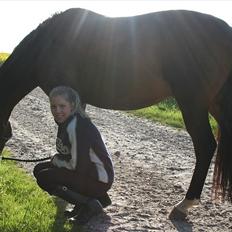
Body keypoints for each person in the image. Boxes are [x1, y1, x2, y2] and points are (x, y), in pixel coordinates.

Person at [33, 86, 114, 225]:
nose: (57, 111)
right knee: (39, 169)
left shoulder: (77, 126)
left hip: (98, 178)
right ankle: (98, 198)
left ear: (72, 105)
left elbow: (76, 165)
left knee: (44, 176)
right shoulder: (67, 121)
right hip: (88, 172)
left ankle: (89, 203)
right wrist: (56, 161)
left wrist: (56, 160)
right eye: (53, 106)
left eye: (62, 106)